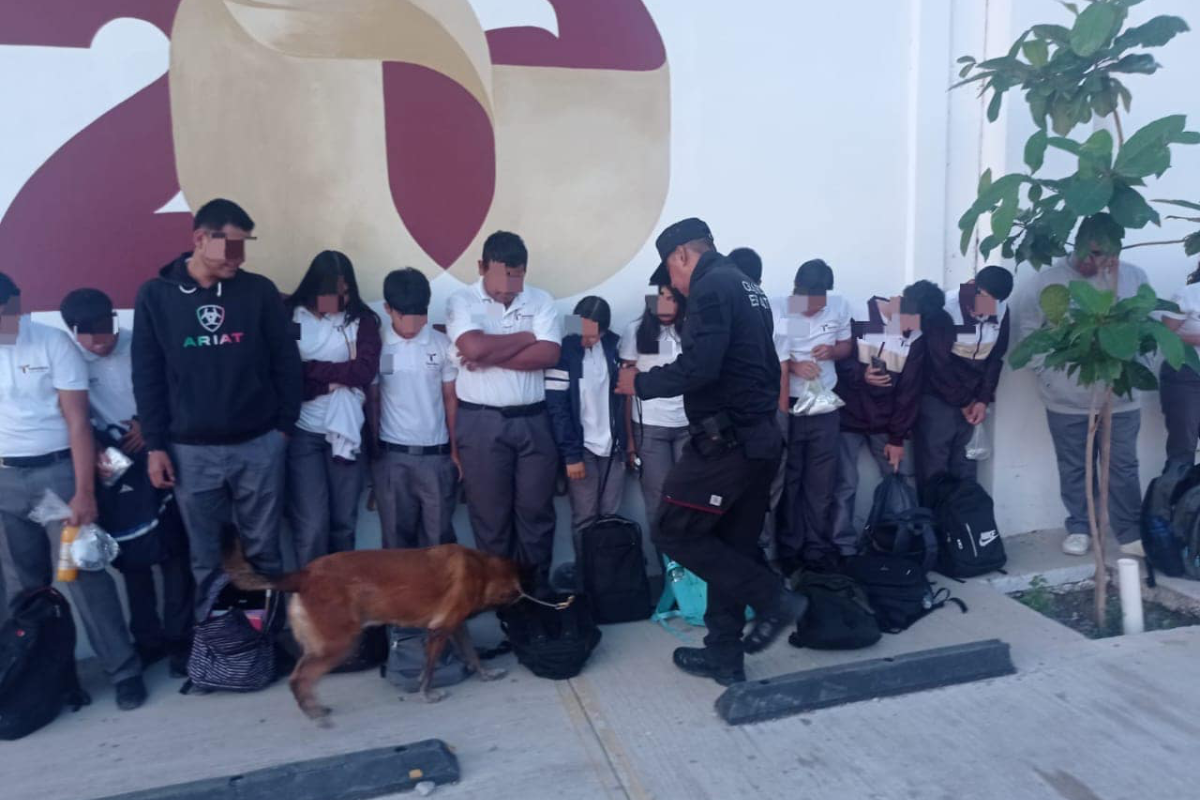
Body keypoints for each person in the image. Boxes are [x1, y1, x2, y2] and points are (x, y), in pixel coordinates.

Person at [616, 218, 806, 686]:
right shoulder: (745, 284)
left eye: (669, 272)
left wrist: (639, 382)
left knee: (672, 531)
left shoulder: (711, 286)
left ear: (681, 254)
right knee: (729, 546)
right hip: (758, 438)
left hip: (726, 444)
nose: (671, 285)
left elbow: (700, 367)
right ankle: (724, 654)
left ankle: (773, 597)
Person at [132, 199, 302, 620]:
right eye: (231, 246)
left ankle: (264, 643)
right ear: (199, 239)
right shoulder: (156, 296)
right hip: (190, 451)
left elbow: (285, 361)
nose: (238, 258)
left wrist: (283, 427)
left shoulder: (258, 291)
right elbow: (147, 375)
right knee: (207, 557)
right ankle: (221, 648)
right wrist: (155, 445)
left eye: (245, 246)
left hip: (259, 443)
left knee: (264, 550)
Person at [0, 274, 146, 709]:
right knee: (23, 592)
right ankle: (49, 681)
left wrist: (84, 492)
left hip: (55, 479)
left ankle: (124, 672)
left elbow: (78, 422)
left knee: (83, 575)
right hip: (5, 482)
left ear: (16, 303)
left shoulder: (51, 344)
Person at [61, 288, 194, 676]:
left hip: (159, 447)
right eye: (90, 336)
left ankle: (180, 640)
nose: (101, 342)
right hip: (112, 462)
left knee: (175, 551)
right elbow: (70, 416)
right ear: (72, 331)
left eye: (106, 331)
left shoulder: (142, 343)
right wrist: (99, 450)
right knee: (132, 557)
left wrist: (147, 426)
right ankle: (148, 640)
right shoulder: (69, 360)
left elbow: (174, 388)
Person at [1012, 238, 1146, 557]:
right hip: (1066, 401)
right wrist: (1050, 376)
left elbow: (1144, 327)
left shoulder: (1134, 276)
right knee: (1075, 467)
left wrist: (1143, 365)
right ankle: (1080, 527)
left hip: (1121, 397)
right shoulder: (1046, 282)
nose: (1092, 260)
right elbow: (1028, 334)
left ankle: (1128, 532)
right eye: (1086, 251)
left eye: (1102, 254)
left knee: (1122, 466)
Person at [445, 231, 563, 591]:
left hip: (533, 421)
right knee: (491, 520)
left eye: (517, 279)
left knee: (536, 516)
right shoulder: (461, 300)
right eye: (501, 280)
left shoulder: (541, 300)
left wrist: (491, 354)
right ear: (482, 267)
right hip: (481, 423)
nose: (509, 289)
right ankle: (501, 601)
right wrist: (527, 338)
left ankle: (535, 597)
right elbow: (472, 347)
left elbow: (549, 355)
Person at [284, 251, 381, 566]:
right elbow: (287, 375)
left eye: (346, 291)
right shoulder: (291, 315)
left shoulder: (362, 320)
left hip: (348, 430)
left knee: (343, 524)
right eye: (333, 292)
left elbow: (364, 373)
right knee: (311, 526)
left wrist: (310, 371)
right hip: (303, 434)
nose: (341, 298)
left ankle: (343, 604)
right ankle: (310, 604)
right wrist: (329, 382)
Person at [831, 281, 941, 547]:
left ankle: (902, 543)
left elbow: (909, 391)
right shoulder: (856, 314)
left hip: (886, 423)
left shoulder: (915, 335)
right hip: (847, 416)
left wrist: (896, 437)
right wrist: (861, 374)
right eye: (908, 321)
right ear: (900, 302)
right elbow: (833, 358)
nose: (908, 330)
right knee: (844, 484)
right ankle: (841, 546)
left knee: (900, 479)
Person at [369, 268, 460, 549]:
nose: (411, 325)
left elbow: (450, 400)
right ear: (387, 309)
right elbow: (373, 399)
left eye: (419, 316)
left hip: (436, 458)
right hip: (392, 457)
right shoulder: (377, 346)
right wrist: (374, 456)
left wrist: (456, 453)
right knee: (396, 548)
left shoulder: (442, 344)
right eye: (402, 316)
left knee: (439, 546)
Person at [777, 259, 853, 574]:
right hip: (792, 403)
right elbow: (772, 355)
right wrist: (795, 366)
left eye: (818, 303)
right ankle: (789, 547)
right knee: (790, 479)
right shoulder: (780, 309)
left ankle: (816, 547)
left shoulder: (838, 306)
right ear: (797, 290)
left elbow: (847, 346)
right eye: (807, 303)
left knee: (822, 481)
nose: (812, 310)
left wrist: (832, 352)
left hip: (825, 404)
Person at [914, 266, 1012, 489]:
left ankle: (964, 521)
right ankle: (935, 521)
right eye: (984, 299)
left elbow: (996, 357)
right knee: (934, 465)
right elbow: (938, 364)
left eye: (993, 303)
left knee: (966, 464)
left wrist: (982, 400)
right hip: (938, 396)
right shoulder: (945, 308)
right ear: (971, 285)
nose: (986, 309)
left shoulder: (1002, 308)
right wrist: (964, 401)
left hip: (974, 398)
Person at [620, 278, 689, 576]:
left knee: (690, 502)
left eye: (672, 298)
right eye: (659, 296)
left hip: (689, 427)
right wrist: (630, 443)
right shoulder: (636, 331)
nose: (664, 304)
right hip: (650, 429)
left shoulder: (693, 330)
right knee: (659, 505)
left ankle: (694, 575)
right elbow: (625, 390)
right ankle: (668, 575)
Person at [547, 296, 627, 537]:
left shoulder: (616, 345)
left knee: (610, 516)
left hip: (614, 447)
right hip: (581, 448)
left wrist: (626, 445)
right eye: (581, 332)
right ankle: (586, 573)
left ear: (604, 330)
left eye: (592, 335)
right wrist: (571, 455)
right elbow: (557, 407)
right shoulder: (563, 351)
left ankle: (606, 573)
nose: (585, 340)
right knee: (585, 518)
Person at [1158, 260, 1200, 470]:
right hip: (1186, 376)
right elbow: (1164, 336)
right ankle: (1173, 501)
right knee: (1183, 449)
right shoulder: (1188, 294)